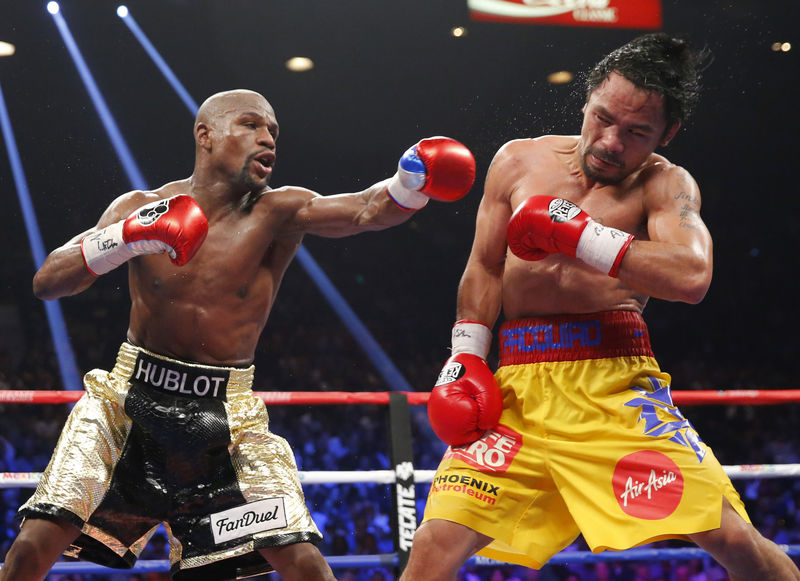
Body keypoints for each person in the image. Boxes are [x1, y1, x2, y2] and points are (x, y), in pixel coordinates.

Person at [0, 88, 476, 581]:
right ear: (205, 135)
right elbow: (48, 282)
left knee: (302, 561)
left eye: (273, 130)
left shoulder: (279, 212)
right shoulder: (140, 206)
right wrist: (124, 236)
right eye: (252, 124)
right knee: (33, 547)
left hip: (226, 421)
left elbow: (364, 210)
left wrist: (408, 183)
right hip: (126, 406)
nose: (268, 138)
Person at [401, 33, 800, 580]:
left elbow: (691, 275)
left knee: (734, 540)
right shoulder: (517, 161)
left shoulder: (665, 184)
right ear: (587, 100)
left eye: (637, 132)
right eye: (603, 118)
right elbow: (485, 265)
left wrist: (581, 235)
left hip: (615, 390)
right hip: (518, 390)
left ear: (667, 133)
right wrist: (467, 355)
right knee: (433, 545)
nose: (611, 142)